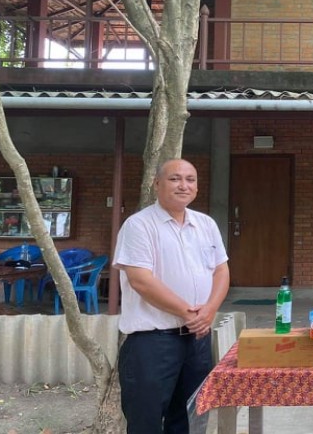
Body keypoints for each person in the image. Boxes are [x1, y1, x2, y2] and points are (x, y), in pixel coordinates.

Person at [114, 159, 230, 433]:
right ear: (157, 184)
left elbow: (221, 270)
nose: (183, 185)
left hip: (197, 340)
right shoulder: (139, 225)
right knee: (146, 421)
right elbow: (141, 281)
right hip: (153, 342)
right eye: (175, 178)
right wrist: (189, 313)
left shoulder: (206, 224)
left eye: (190, 179)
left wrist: (210, 310)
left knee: (191, 419)